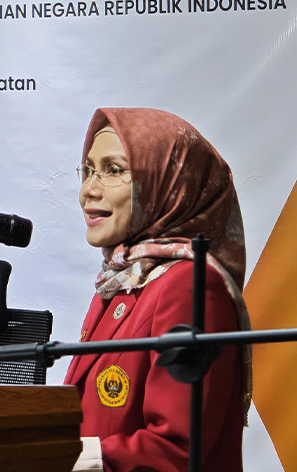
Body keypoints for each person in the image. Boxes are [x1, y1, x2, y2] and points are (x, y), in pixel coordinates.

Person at [65, 108, 250, 471]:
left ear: (170, 183)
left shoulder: (190, 284)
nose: (89, 190)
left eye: (114, 170)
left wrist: (62, 458)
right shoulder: (123, 279)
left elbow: (176, 449)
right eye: (88, 170)